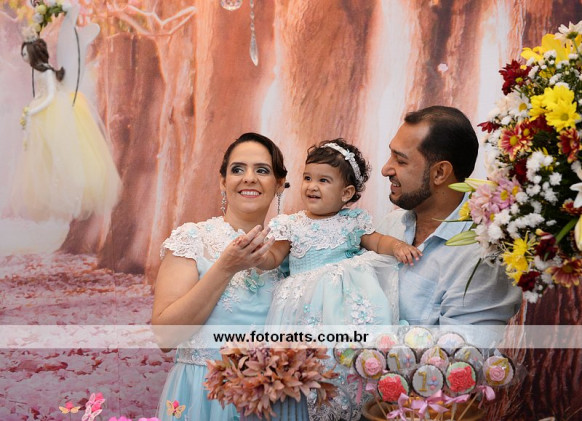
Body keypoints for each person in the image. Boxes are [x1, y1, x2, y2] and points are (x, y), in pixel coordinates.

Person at [259, 138, 421, 421]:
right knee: (307, 363)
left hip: (345, 305)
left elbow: (377, 241)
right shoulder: (291, 224)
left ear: (346, 193)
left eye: (323, 180)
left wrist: (396, 246)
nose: (312, 186)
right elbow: (274, 257)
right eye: (307, 178)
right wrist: (257, 257)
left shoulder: (353, 221)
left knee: (347, 355)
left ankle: (354, 392)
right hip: (304, 310)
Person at [152, 133, 287, 421]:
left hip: (271, 401)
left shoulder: (288, 252)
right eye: (237, 169)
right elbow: (165, 337)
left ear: (279, 184)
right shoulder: (193, 239)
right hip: (203, 398)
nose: (249, 178)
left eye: (262, 170)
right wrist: (225, 267)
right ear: (223, 182)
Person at [376, 105, 522, 327]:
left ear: (439, 172)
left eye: (401, 161)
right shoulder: (391, 225)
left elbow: (462, 347)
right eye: (391, 156)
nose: (386, 169)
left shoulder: (483, 260)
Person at [11, 36, 121, 222]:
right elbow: (41, 93)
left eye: (24, 53)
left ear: (33, 54)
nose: (23, 57)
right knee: (44, 156)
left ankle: (76, 195)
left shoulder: (46, 72)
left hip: (54, 111)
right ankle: (57, 196)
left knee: (64, 154)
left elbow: (50, 96)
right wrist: (32, 107)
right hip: (43, 112)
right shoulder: (37, 71)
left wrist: (33, 110)